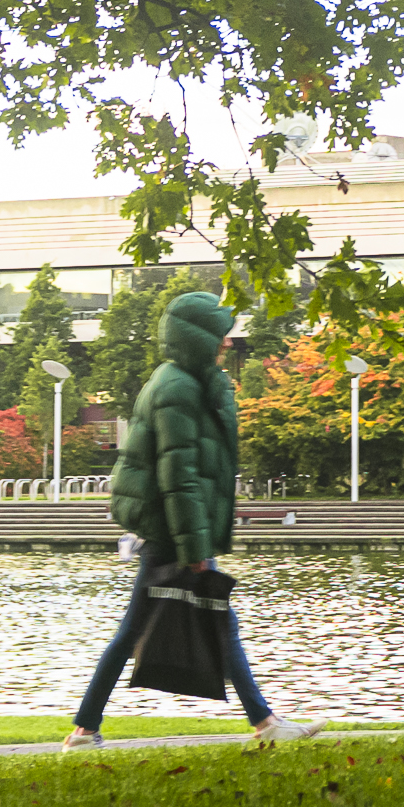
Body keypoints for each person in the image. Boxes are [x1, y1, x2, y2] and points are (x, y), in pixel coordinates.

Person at [75, 291, 314, 748]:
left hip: (170, 531)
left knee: (161, 629)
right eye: (219, 335)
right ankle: (265, 724)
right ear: (198, 338)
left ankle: (87, 728)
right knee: (178, 627)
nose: (227, 342)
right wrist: (196, 548)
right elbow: (178, 475)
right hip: (171, 534)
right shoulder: (177, 389)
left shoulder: (186, 381)